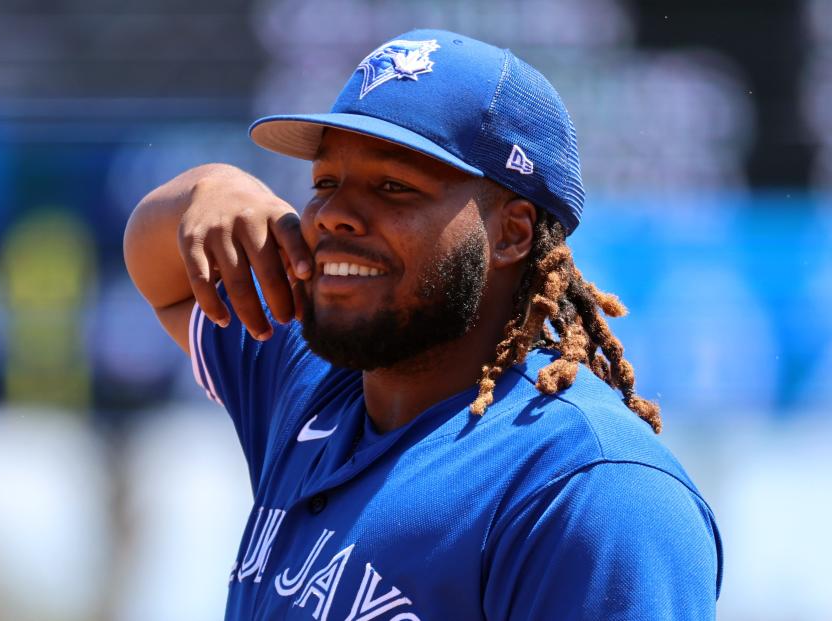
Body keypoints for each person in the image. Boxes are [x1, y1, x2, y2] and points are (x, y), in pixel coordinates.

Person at [124, 29, 722, 620]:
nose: (334, 215)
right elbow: (165, 277)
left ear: (510, 232)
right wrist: (210, 187)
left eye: (393, 187)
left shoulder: (591, 493)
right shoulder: (314, 384)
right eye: (325, 182)